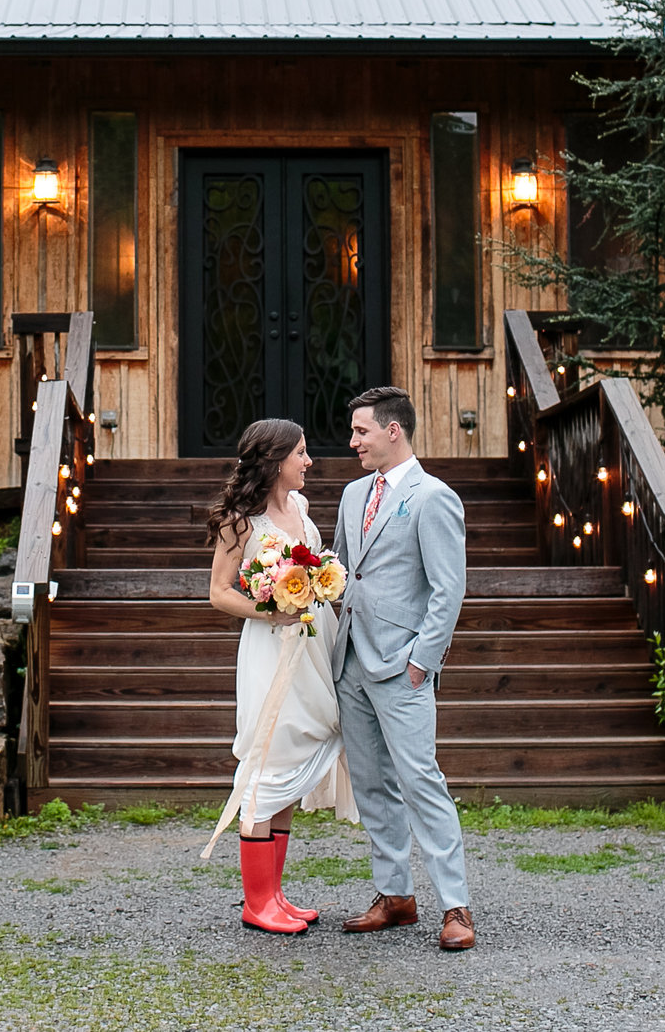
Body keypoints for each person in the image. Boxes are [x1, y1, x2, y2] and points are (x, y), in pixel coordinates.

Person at [331, 383, 475, 951]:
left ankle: (456, 906)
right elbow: (342, 570)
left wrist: (422, 661)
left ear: (394, 430)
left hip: (402, 667)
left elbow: (449, 588)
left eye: (361, 431)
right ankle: (395, 896)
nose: (353, 442)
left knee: (421, 782)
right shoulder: (350, 495)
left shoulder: (434, 496)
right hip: (351, 663)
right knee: (370, 784)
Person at [206, 417, 356, 933]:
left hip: (315, 645)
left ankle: (274, 894)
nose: (309, 462)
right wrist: (270, 609)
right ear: (274, 462)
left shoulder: (302, 508)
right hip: (272, 650)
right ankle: (255, 903)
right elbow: (220, 592)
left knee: (294, 769)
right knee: (268, 764)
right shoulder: (240, 522)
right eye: (301, 453)